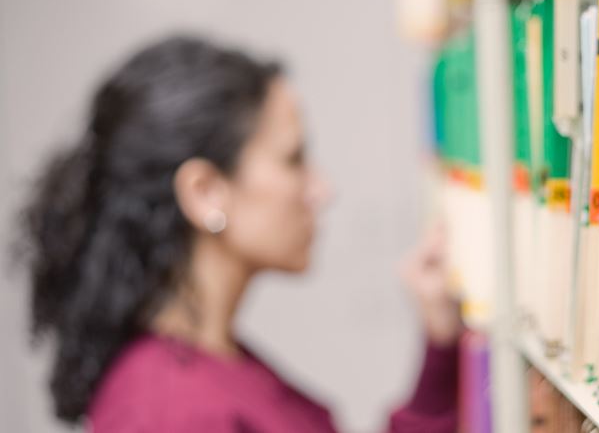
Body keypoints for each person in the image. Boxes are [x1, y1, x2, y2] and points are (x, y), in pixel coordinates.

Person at [18, 36, 462, 432]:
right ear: (206, 192)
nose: (322, 190)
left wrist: (441, 344)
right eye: (293, 160)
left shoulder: (208, 361)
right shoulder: (172, 413)